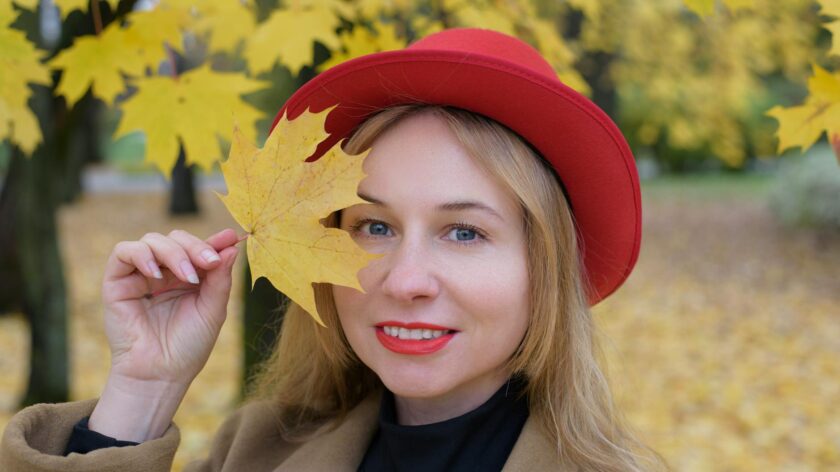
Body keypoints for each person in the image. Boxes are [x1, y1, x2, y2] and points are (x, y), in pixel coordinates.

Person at [0, 28, 664, 471]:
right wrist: (143, 393)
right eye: (374, 227)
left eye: (464, 232)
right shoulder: (255, 453)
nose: (405, 280)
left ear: (541, 270)